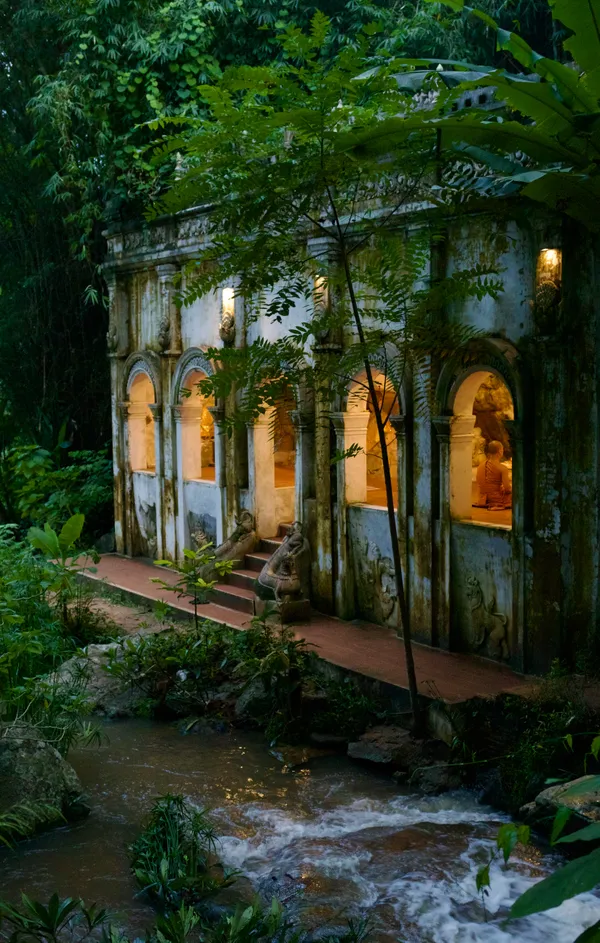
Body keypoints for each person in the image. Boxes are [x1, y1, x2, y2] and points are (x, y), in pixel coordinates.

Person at [475, 440, 512, 509]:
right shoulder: (503, 468)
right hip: (497, 499)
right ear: (500, 451)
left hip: (483, 499)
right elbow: (507, 489)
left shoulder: (481, 465)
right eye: (502, 449)